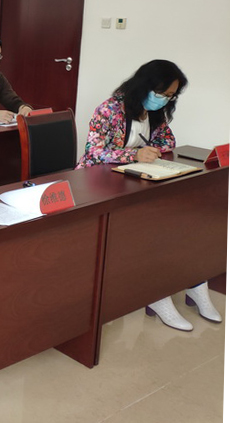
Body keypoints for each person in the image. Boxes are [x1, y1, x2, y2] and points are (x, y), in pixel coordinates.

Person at [75, 60, 217, 331]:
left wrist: (152, 151)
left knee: (185, 222)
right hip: (98, 185)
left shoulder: (155, 111)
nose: (164, 100)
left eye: (170, 96)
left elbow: (168, 141)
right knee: (154, 229)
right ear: (145, 85)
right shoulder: (109, 109)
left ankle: (197, 283)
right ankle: (156, 294)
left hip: (136, 180)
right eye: (162, 93)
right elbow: (94, 152)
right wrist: (134, 154)